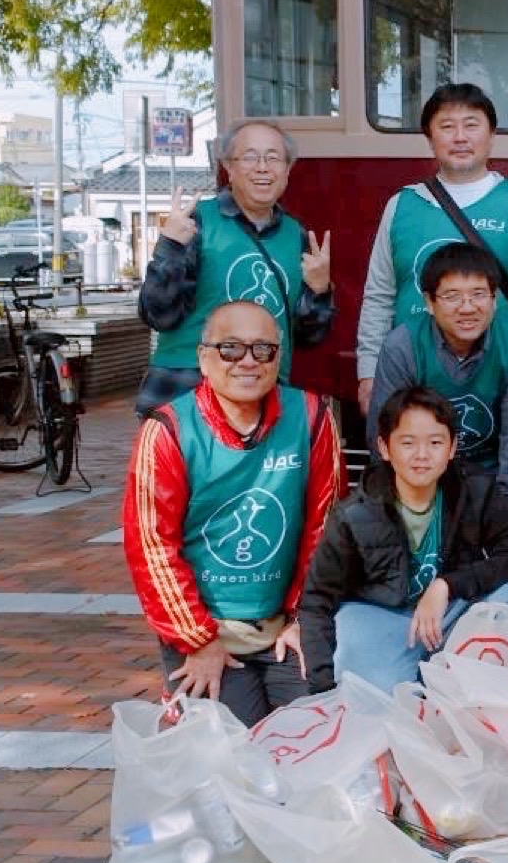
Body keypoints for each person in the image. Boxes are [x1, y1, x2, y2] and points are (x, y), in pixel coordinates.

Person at [123, 301, 343, 724]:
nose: (248, 361)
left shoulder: (312, 416)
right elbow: (152, 547)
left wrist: (304, 618)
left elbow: (325, 527)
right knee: (227, 759)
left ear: (279, 358)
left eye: (263, 350)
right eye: (230, 349)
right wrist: (197, 640)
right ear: (204, 358)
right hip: (205, 627)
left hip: (284, 624)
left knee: (316, 735)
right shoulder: (168, 429)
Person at [298, 386, 508, 694]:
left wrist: (447, 585)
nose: (422, 455)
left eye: (435, 442)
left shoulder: (476, 490)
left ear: (453, 447)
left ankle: (471, 695)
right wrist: (322, 688)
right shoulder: (355, 513)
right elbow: (316, 600)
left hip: (453, 613)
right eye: (407, 442)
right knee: (365, 678)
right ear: (385, 447)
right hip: (388, 621)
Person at [356, 83, 508, 415]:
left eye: (471, 125)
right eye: (447, 126)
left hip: (496, 382)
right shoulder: (402, 205)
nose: (460, 137)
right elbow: (379, 294)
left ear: (491, 136)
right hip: (411, 377)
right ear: (430, 138)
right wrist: (369, 372)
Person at [136, 120, 334, 415]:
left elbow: (308, 338)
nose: (263, 167)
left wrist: (319, 290)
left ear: (288, 170)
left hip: (262, 393)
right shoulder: (197, 223)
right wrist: (170, 250)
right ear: (229, 167)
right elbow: (157, 315)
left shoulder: (298, 236)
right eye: (250, 157)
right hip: (188, 391)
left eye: (273, 158)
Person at [367, 241, 508, 503]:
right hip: (420, 480)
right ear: (429, 302)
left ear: (494, 300)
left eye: (479, 294)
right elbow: (385, 436)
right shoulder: (402, 347)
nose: (467, 307)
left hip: (490, 481)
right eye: (452, 296)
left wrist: (502, 513)